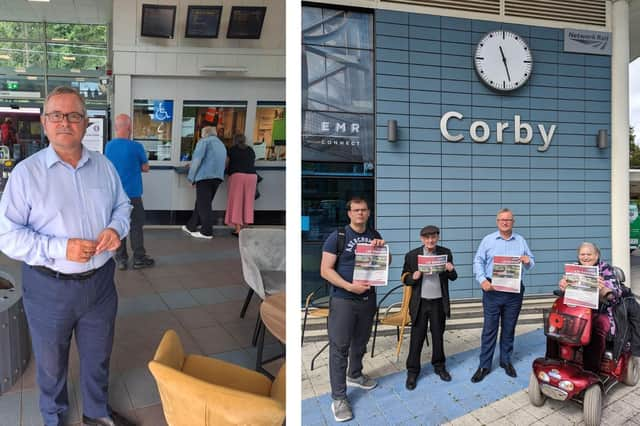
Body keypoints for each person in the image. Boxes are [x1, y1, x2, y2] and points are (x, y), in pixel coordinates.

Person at [0, 86, 133, 426]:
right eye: (56, 115)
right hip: (49, 287)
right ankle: (54, 417)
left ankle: (97, 413)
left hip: (100, 286)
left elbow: (123, 206)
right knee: (50, 363)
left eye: (73, 115)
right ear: (44, 122)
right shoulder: (26, 174)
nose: (65, 122)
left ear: (86, 123)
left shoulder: (104, 167)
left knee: (97, 356)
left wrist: (116, 229)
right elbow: (8, 236)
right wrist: (61, 248)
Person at [320, 197, 389, 423]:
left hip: (368, 300)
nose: (360, 213)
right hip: (343, 300)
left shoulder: (374, 236)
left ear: (369, 213)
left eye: (364, 210)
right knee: (340, 347)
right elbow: (325, 270)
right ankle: (339, 398)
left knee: (361, 341)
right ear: (349, 213)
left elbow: (385, 264)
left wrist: (384, 251)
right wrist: (349, 286)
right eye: (356, 210)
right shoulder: (338, 237)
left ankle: (355, 374)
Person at [471, 208, 534, 383]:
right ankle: (484, 365)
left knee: (509, 327)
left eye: (508, 220)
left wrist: (528, 261)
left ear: (513, 222)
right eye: (502, 220)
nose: (505, 222)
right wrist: (482, 280)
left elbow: (531, 261)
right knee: (490, 329)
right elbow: (478, 261)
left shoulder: (521, 240)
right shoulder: (488, 240)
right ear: (497, 222)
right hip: (492, 290)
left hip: (514, 292)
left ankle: (506, 361)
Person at [546, 242, 622, 373]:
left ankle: (590, 371)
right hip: (576, 311)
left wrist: (603, 289)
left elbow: (615, 295)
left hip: (600, 311)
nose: (585, 257)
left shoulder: (605, 269)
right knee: (554, 325)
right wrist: (563, 286)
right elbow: (568, 292)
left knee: (596, 328)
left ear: (597, 255)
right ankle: (552, 361)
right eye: (582, 254)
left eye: (589, 254)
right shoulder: (574, 268)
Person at [401, 225, 458, 389]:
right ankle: (412, 372)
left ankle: (439, 367)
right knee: (416, 338)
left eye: (433, 237)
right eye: (427, 238)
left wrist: (451, 269)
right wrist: (414, 277)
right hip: (420, 303)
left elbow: (453, 277)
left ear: (437, 237)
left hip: (438, 302)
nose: (430, 240)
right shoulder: (412, 255)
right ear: (422, 239)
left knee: (438, 336)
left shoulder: (445, 252)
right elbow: (404, 278)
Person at [105, 114, 155, 270]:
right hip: (133, 194)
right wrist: (136, 166)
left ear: (116, 128)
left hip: (115, 195)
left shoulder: (109, 146)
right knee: (136, 225)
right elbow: (145, 167)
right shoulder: (136, 147)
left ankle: (121, 260)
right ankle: (139, 258)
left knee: (119, 225)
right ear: (129, 128)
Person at [182, 126, 227, 239]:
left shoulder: (204, 142)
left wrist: (191, 177)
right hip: (217, 177)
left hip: (205, 177)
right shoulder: (221, 144)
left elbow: (197, 160)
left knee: (204, 205)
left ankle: (206, 232)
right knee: (202, 203)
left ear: (204, 133)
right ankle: (191, 226)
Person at [225, 134, 257, 236]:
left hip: (238, 176)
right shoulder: (250, 150)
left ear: (234, 140)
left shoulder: (232, 150)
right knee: (248, 201)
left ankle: (238, 229)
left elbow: (226, 164)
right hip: (252, 177)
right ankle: (245, 227)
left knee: (237, 202)